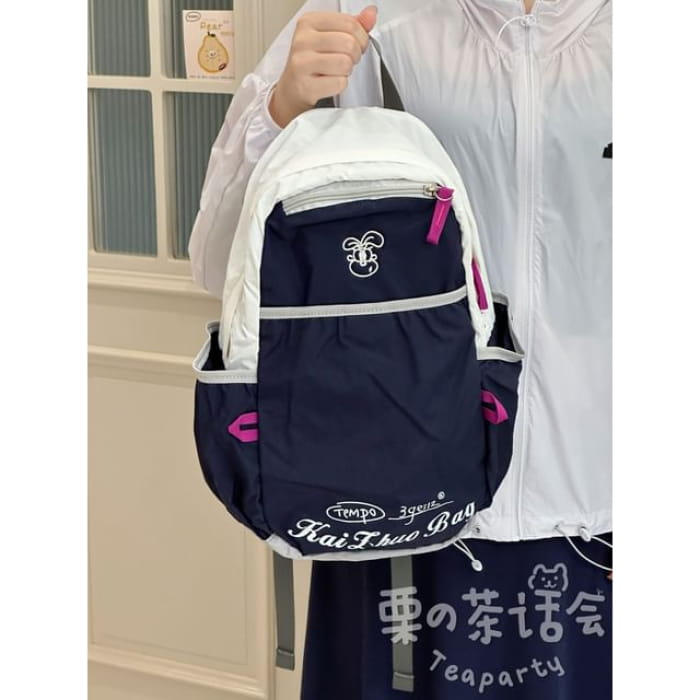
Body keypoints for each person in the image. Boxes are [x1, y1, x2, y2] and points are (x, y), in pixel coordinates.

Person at [188, 1, 612, 697]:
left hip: (600, 509)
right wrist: (283, 108)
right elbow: (219, 261)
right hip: (393, 506)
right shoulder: (368, 14)